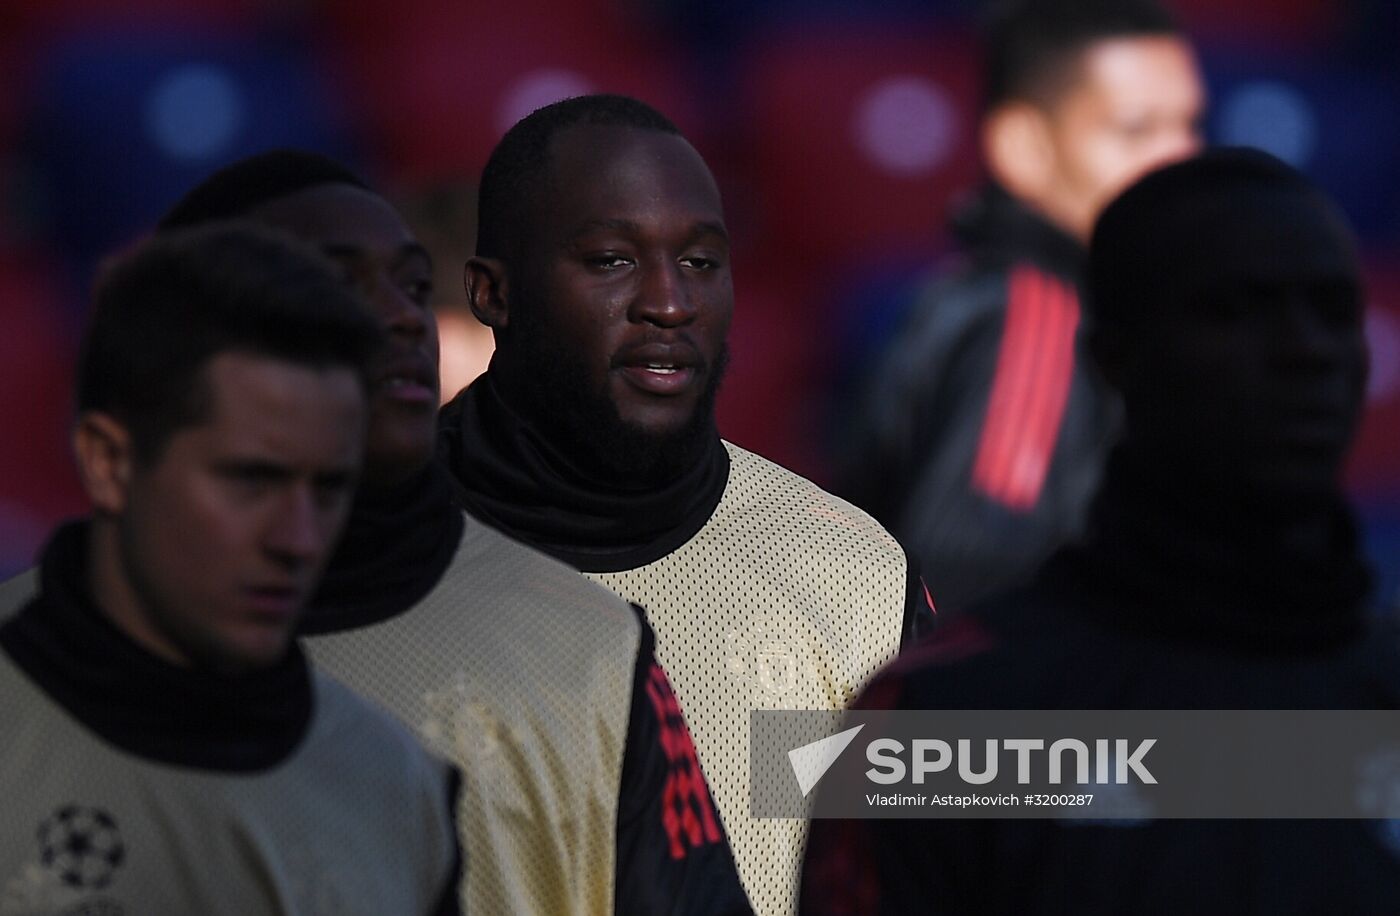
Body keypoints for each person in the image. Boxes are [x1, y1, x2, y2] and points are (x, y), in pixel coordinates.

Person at [800, 148, 1400, 914]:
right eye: (1235, 310)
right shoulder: (947, 718)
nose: (1306, 351)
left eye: (1334, 312)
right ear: (1115, 358)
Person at [155, 149, 751, 916]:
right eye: (344, 289)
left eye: (412, 290)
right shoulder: (50, 651)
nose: (401, 325)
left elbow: (890, 819)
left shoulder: (846, 567)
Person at [440, 93, 931, 916]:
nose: (669, 303)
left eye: (701, 262)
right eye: (611, 260)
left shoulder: (855, 576)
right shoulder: (345, 550)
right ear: (493, 294)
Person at [0, 225, 462, 914]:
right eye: (251, 480)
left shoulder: (397, 788)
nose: (299, 539)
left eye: (329, 488)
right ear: (108, 461)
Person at [836, 0, 1205, 615]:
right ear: (1024, 147)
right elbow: (972, 596)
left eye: (1189, 125)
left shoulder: (1025, 301)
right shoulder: (1033, 321)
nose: (1180, 159)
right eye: (1136, 130)